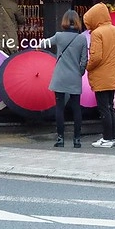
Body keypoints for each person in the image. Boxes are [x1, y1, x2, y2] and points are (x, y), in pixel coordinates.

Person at [39, 10, 88, 148]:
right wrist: (80, 72)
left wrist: (37, 46)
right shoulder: (81, 39)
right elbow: (84, 60)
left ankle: (60, 139)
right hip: (74, 77)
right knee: (76, 108)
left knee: (59, 108)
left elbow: (45, 43)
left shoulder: (59, 36)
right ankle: (77, 140)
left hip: (60, 76)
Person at [83, 2, 115, 148]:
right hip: (112, 73)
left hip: (100, 75)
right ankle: (111, 137)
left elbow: (96, 56)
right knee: (110, 106)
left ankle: (107, 138)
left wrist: (88, 66)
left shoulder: (97, 33)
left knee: (103, 107)